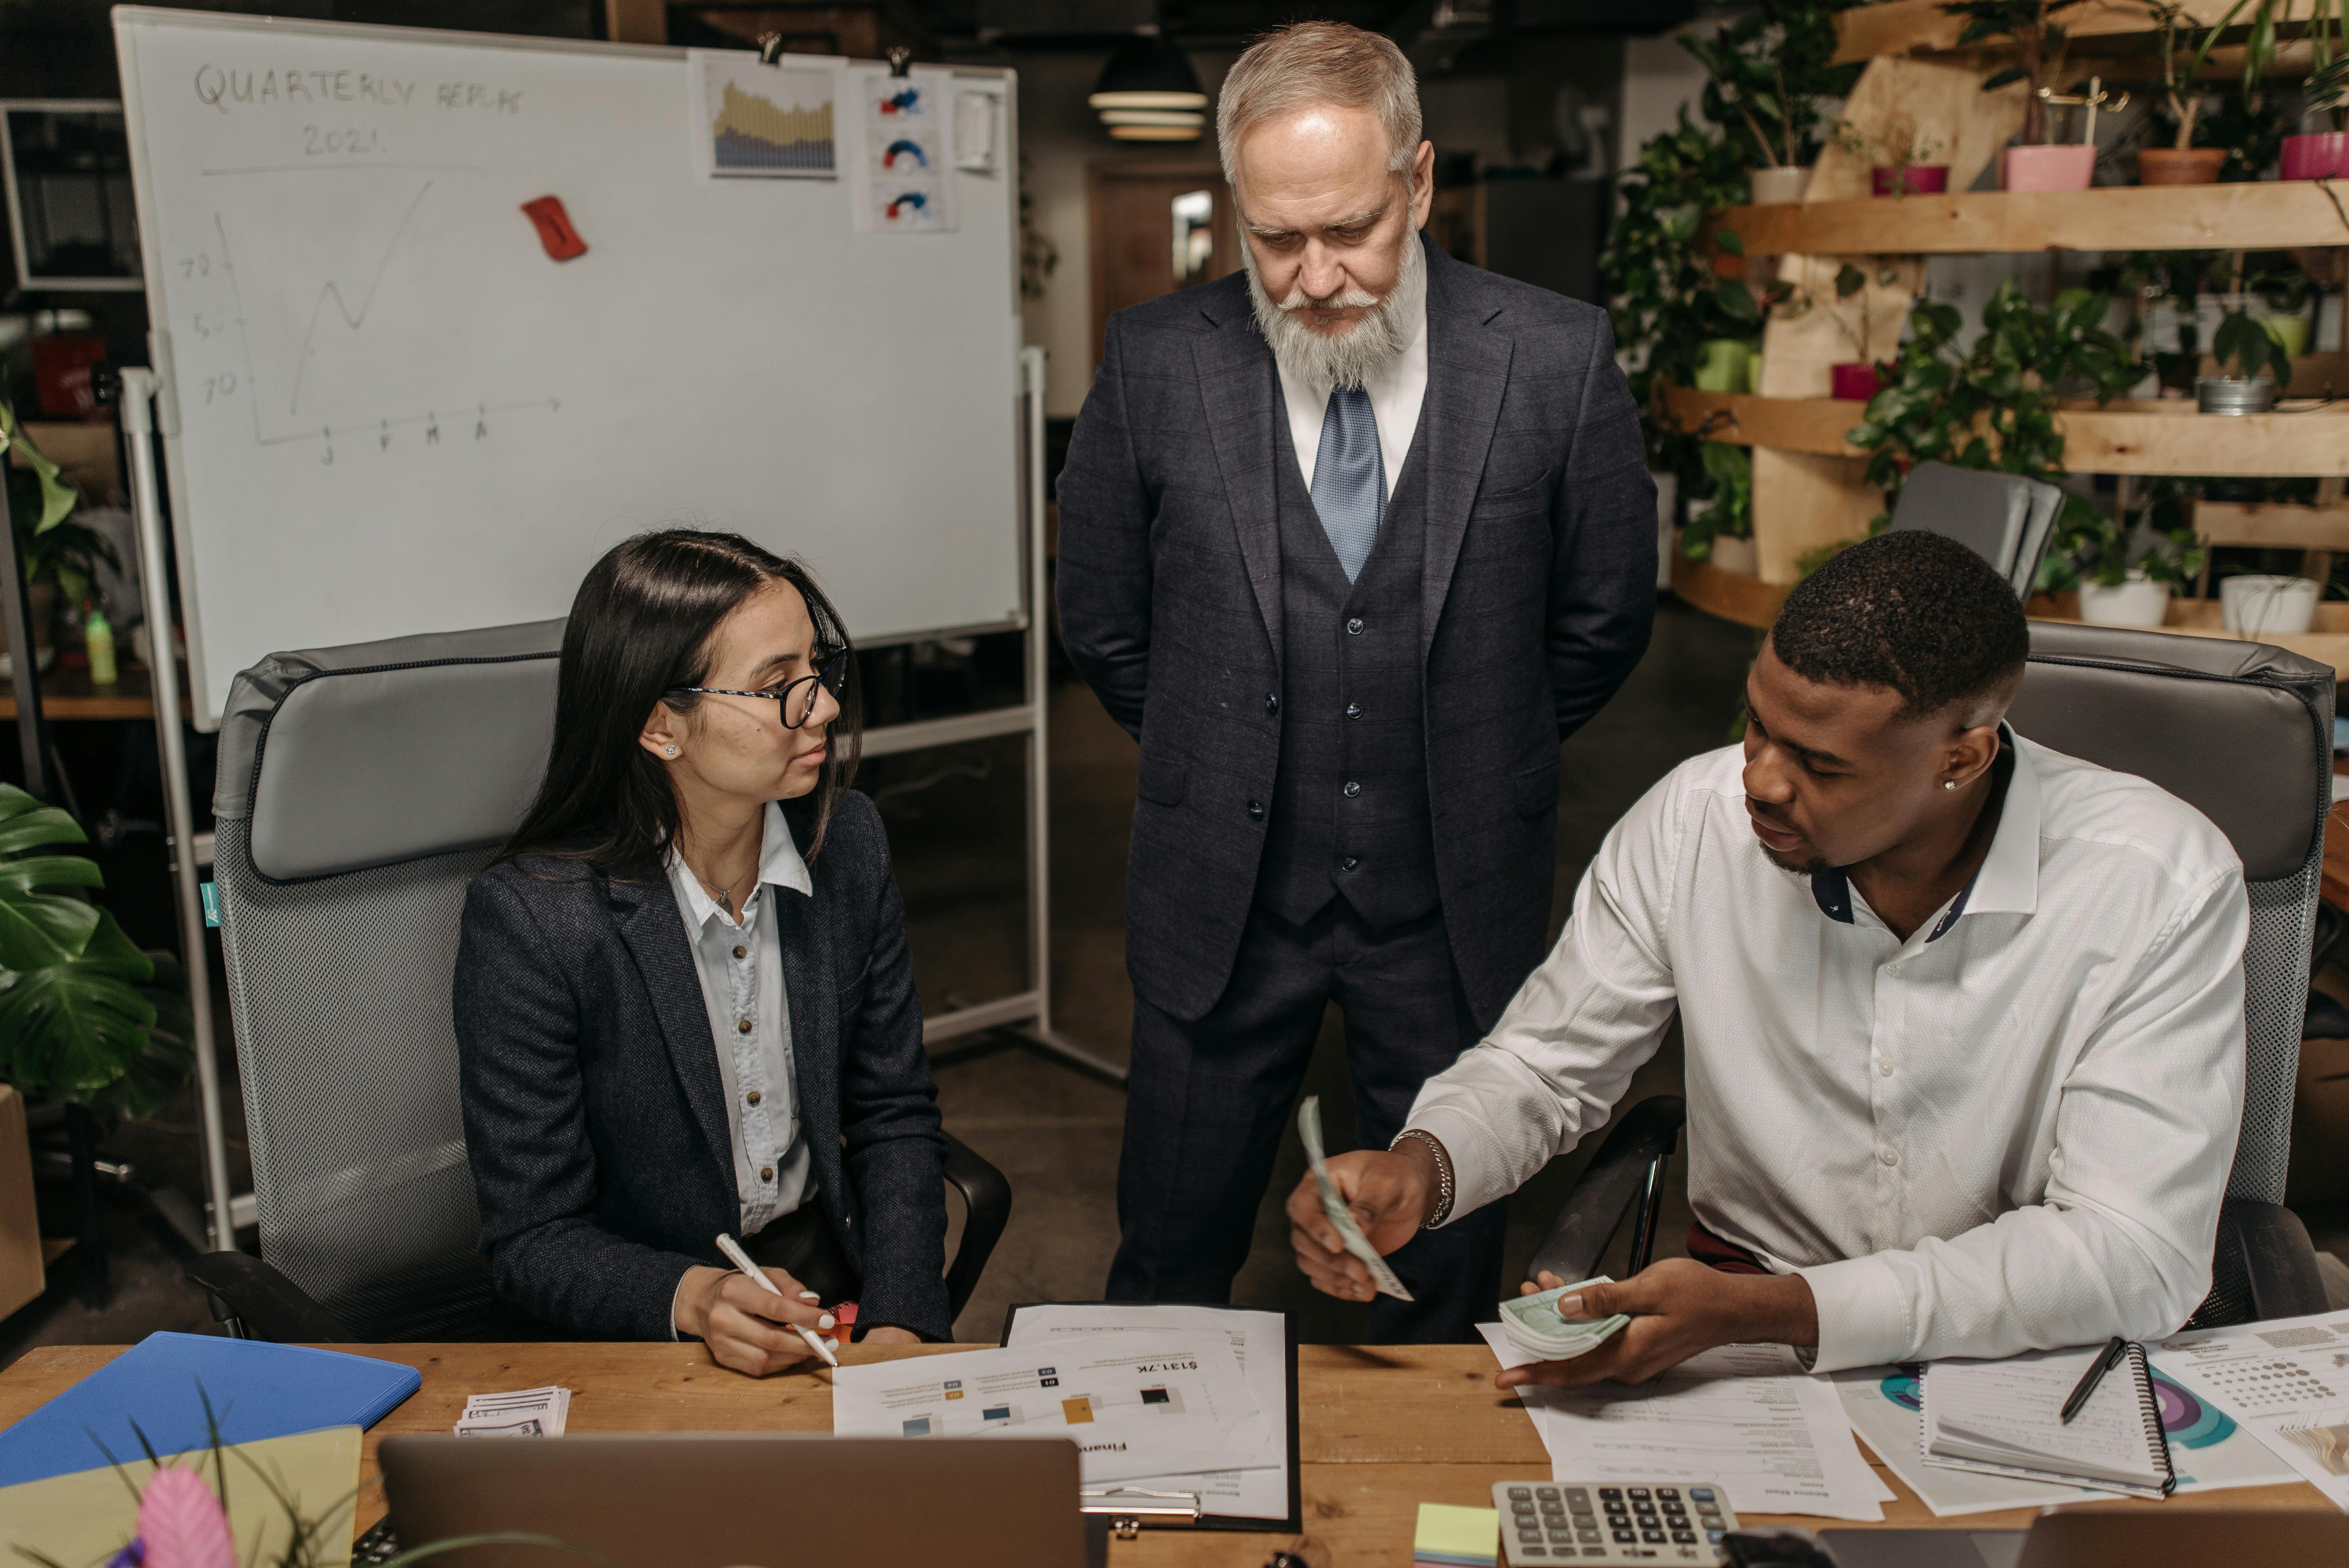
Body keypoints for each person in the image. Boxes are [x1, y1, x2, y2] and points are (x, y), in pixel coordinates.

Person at [1289, 530, 2249, 1382]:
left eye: (1821, 764)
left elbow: (2134, 1255)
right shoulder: (1691, 822)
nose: (1758, 780)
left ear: (1962, 758)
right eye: (1755, 724)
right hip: (1744, 1337)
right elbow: (1544, 1066)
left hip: (2031, 1355)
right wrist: (1427, 1163)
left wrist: (1788, 1310)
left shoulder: (2155, 880)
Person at [1056, 21, 1656, 1343]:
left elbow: (1601, 621)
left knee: (1429, 1284)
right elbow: (1099, 622)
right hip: (1218, 904)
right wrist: (1220, 748)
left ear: (1420, 182)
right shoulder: (1156, 361)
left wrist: (1466, 740)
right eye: (1274, 241)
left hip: (1447, 904)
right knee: (1167, 1253)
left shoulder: (1553, 359)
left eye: (1348, 230)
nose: (1314, 275)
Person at [454, 529, 950, 1374]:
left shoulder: (848, 844)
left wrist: (902, 1323)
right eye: (775, 687)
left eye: (815, 669)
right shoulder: (535, 921)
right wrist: (692, 1297)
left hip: (827, 1288)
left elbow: (892, 1114)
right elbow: (533, 1237)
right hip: (650, 1327)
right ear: (660, 726)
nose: (822, 706)